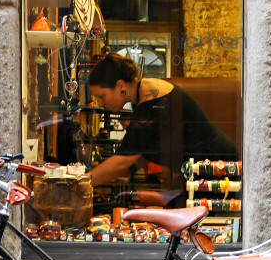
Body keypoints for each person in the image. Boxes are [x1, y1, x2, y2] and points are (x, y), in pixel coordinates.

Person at [88, 53, 239, 203]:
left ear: (120, 86)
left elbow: (122, 160)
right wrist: (126, 171)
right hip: (198, 168)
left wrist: (83, 182)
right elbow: (144, 150)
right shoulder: (144, 94)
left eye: (101, 96)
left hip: (216, 167)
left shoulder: (151, 102)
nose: (100, 103)